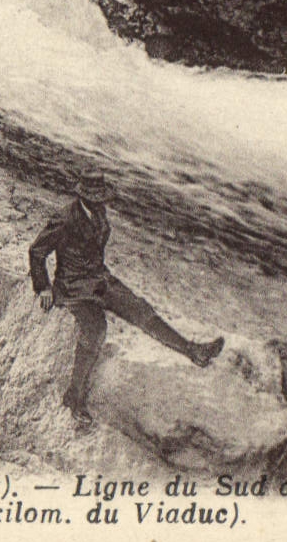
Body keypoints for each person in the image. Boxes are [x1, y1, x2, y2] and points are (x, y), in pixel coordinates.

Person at [29, 172, 224, 426]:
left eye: (102, 197)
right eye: (96, 197)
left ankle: (194, 351)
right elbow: (37, 251)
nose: (101, 202)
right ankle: (74, 397)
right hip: (73, 288)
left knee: (141, 309)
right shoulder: (65, 218)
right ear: (84, 196)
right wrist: (43, 287)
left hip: (100, 279)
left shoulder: (99, 214)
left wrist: (101, 277)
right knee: (96, 328)